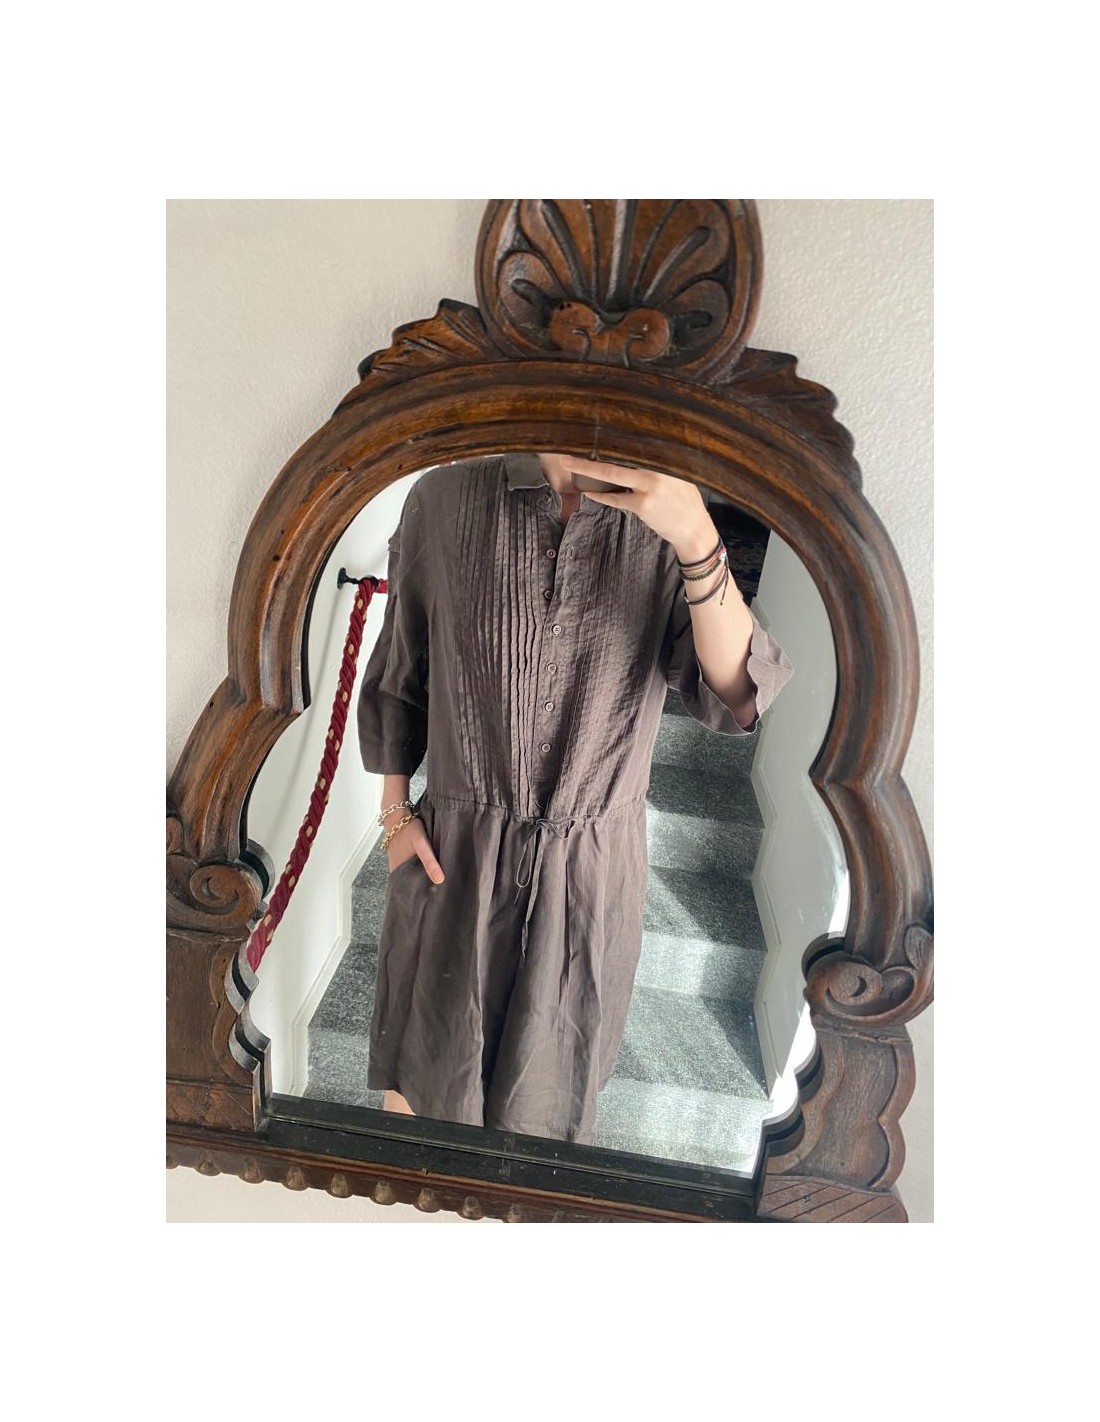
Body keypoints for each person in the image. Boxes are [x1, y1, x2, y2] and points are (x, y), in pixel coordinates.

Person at [356, 451, 793, 1144]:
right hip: (453, 858)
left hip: (589, 878)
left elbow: (738, 693)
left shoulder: (666, 520)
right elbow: (401, 666)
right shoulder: (443, 496)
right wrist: (393, 813)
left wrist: (697, 540)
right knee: (423, 1093)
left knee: (545, 1117)